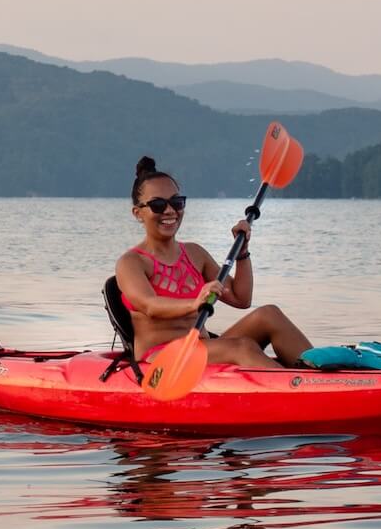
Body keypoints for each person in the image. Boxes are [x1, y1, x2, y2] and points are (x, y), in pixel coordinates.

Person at [114, 155, 311, 370]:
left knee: (269, 314)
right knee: (242, 347)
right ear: (138, 213)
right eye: (158, 205)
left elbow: (240, 298)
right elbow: (150, 306)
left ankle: (323, 379)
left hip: (202, 347)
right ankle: (300, 392)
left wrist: (242, 255)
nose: (170, 211)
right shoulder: (131, 262)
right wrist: (194, 302)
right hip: (161, 356)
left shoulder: (195, 253)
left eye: (176, 202)